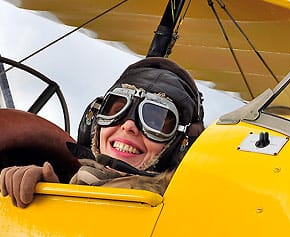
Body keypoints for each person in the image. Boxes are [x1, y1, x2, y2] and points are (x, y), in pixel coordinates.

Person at [0, 57, 204, 208]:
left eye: (154, 120)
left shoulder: (165, 209)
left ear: (181, 145)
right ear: (93, 123)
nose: (129, 125)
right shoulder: (83, 182)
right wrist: (51, 195)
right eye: (116, 110)